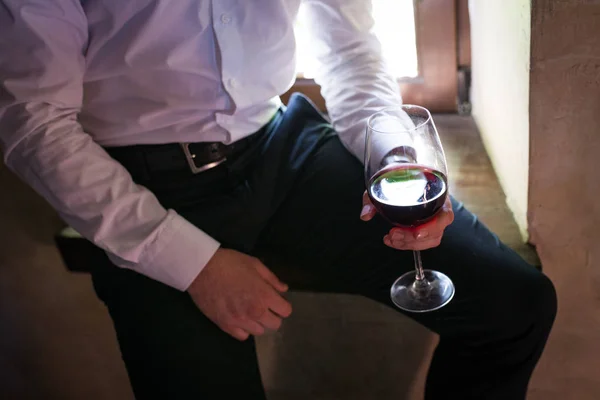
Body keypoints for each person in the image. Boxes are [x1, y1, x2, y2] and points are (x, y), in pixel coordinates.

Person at [0, 1, 556, 399]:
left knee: (515, 305)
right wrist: (193, 265)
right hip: (143, 187)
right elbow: (32, 122)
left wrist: (392, 158)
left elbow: (350, 51)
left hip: (281, 148)